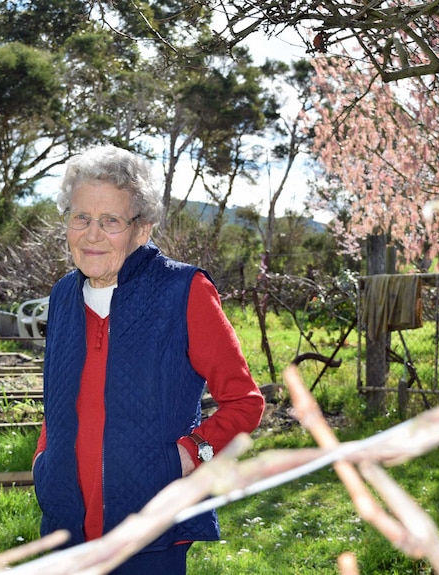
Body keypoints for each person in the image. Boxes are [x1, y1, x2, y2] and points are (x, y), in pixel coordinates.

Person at [32, 145, 265, 574]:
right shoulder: (63, 295)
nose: (92, 234)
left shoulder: (184, 291)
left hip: (152, 530)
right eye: (81, 217)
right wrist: (43, 459)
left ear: (143, 230)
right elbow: (60, 397)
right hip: (65, 531)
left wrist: (190, 453)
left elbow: (245, 401)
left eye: (111, 221)